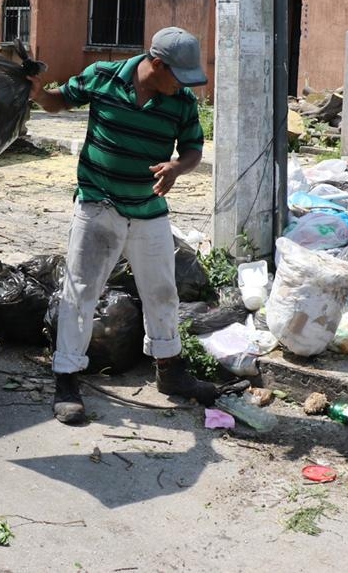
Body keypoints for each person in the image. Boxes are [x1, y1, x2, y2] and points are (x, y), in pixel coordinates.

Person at [29, 27, 219, 425]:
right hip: (100, 205)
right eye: (178, 77)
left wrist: (177, 168)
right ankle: (66, 378)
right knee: (80, 292)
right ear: (156, 64)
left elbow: (193, 149)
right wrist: (37, 93)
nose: (183, 87)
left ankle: (170, 371)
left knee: (163, 292)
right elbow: (57, 102)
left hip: (149, 210)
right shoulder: (102, 76)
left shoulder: (181, 102)